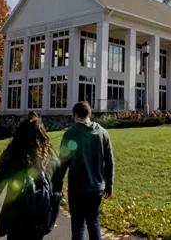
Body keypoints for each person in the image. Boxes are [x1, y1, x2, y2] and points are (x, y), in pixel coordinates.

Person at [0, 116, 62, 240]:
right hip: (40, 210)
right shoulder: (50, 156)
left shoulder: (14, 154)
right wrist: (54, 204)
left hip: (16, 210)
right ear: (42, 134)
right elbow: (57, 183)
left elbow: (1, 179)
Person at [60, 101, 114, 240]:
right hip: (97, 187)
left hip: (77, 188)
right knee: (93, 221)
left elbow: (63, 162)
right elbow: (109, 161)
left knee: (78, 226)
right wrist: (109, 184)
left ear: (75, 115)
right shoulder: (103, 133)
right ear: (90, 114)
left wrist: (57, 184)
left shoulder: (71, 134)